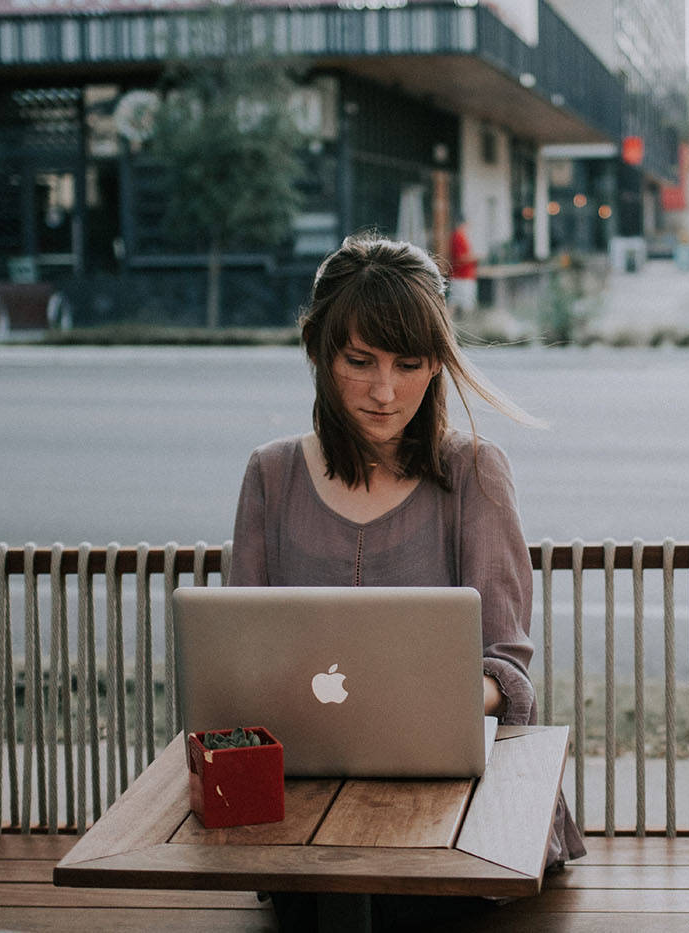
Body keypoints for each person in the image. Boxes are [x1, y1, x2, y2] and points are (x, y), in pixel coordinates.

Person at [228, 232, 584, 930]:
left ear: (438, 364)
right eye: (359, 362)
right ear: (318, 352)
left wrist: (419, 698)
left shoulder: (474, 472)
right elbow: (239, 658)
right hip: (305, 807)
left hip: (457, 810)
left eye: (410, 363)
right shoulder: (271, 475)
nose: (385, 392)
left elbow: (508, 672)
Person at [447, 217, 479, 318]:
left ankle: (448, 323)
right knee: (464, 303)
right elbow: (460, 258)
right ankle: (467, 326)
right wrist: (474, 257)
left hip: (462, 276)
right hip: (462, 276)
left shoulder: (459, 236)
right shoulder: (458, 237)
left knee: (455, 302)